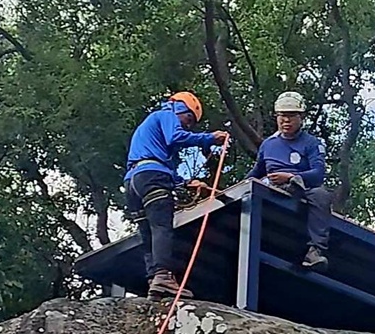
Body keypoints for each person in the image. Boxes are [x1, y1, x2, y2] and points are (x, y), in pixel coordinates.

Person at [125, 92, 229, 298]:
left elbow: (160, 162)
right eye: (188, 118)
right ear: (179, 107)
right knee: (162, 226)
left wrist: (186, 183)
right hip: (152, 175)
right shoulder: (166, 115)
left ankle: (154, 279)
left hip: (133, 181)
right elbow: (176, 137)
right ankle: (163, 276)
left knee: (147, 233)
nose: (187, 125)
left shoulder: (149, 129)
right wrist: (209, 138)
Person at [247, 91, 332, 272]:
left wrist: (292, 177)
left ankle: (315, 251)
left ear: (301, 117)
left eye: (291, 116)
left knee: (321, 195)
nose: (286, 120)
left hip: (301, 188)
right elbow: (256, 172)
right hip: (271, 187)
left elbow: (318, 173)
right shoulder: (268, 144)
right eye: (282, 116)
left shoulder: (311, 143)